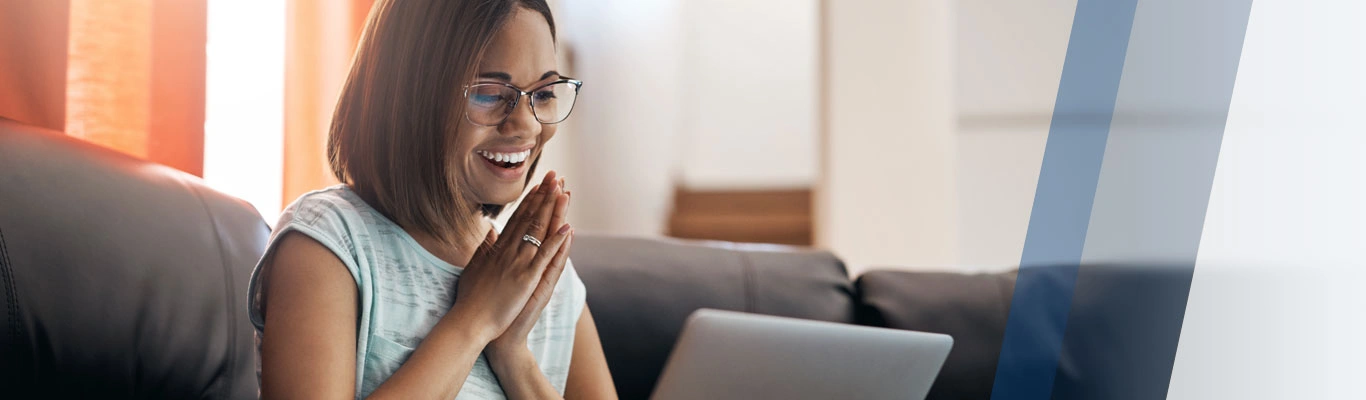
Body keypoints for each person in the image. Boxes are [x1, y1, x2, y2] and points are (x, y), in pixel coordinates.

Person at [246, 0, 617, 398]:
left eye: (543, 93)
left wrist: (514, 357)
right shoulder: (328, 242)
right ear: (409, 97)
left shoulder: (549, 281)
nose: (527, 124)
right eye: (490, 93)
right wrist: (475, 319)